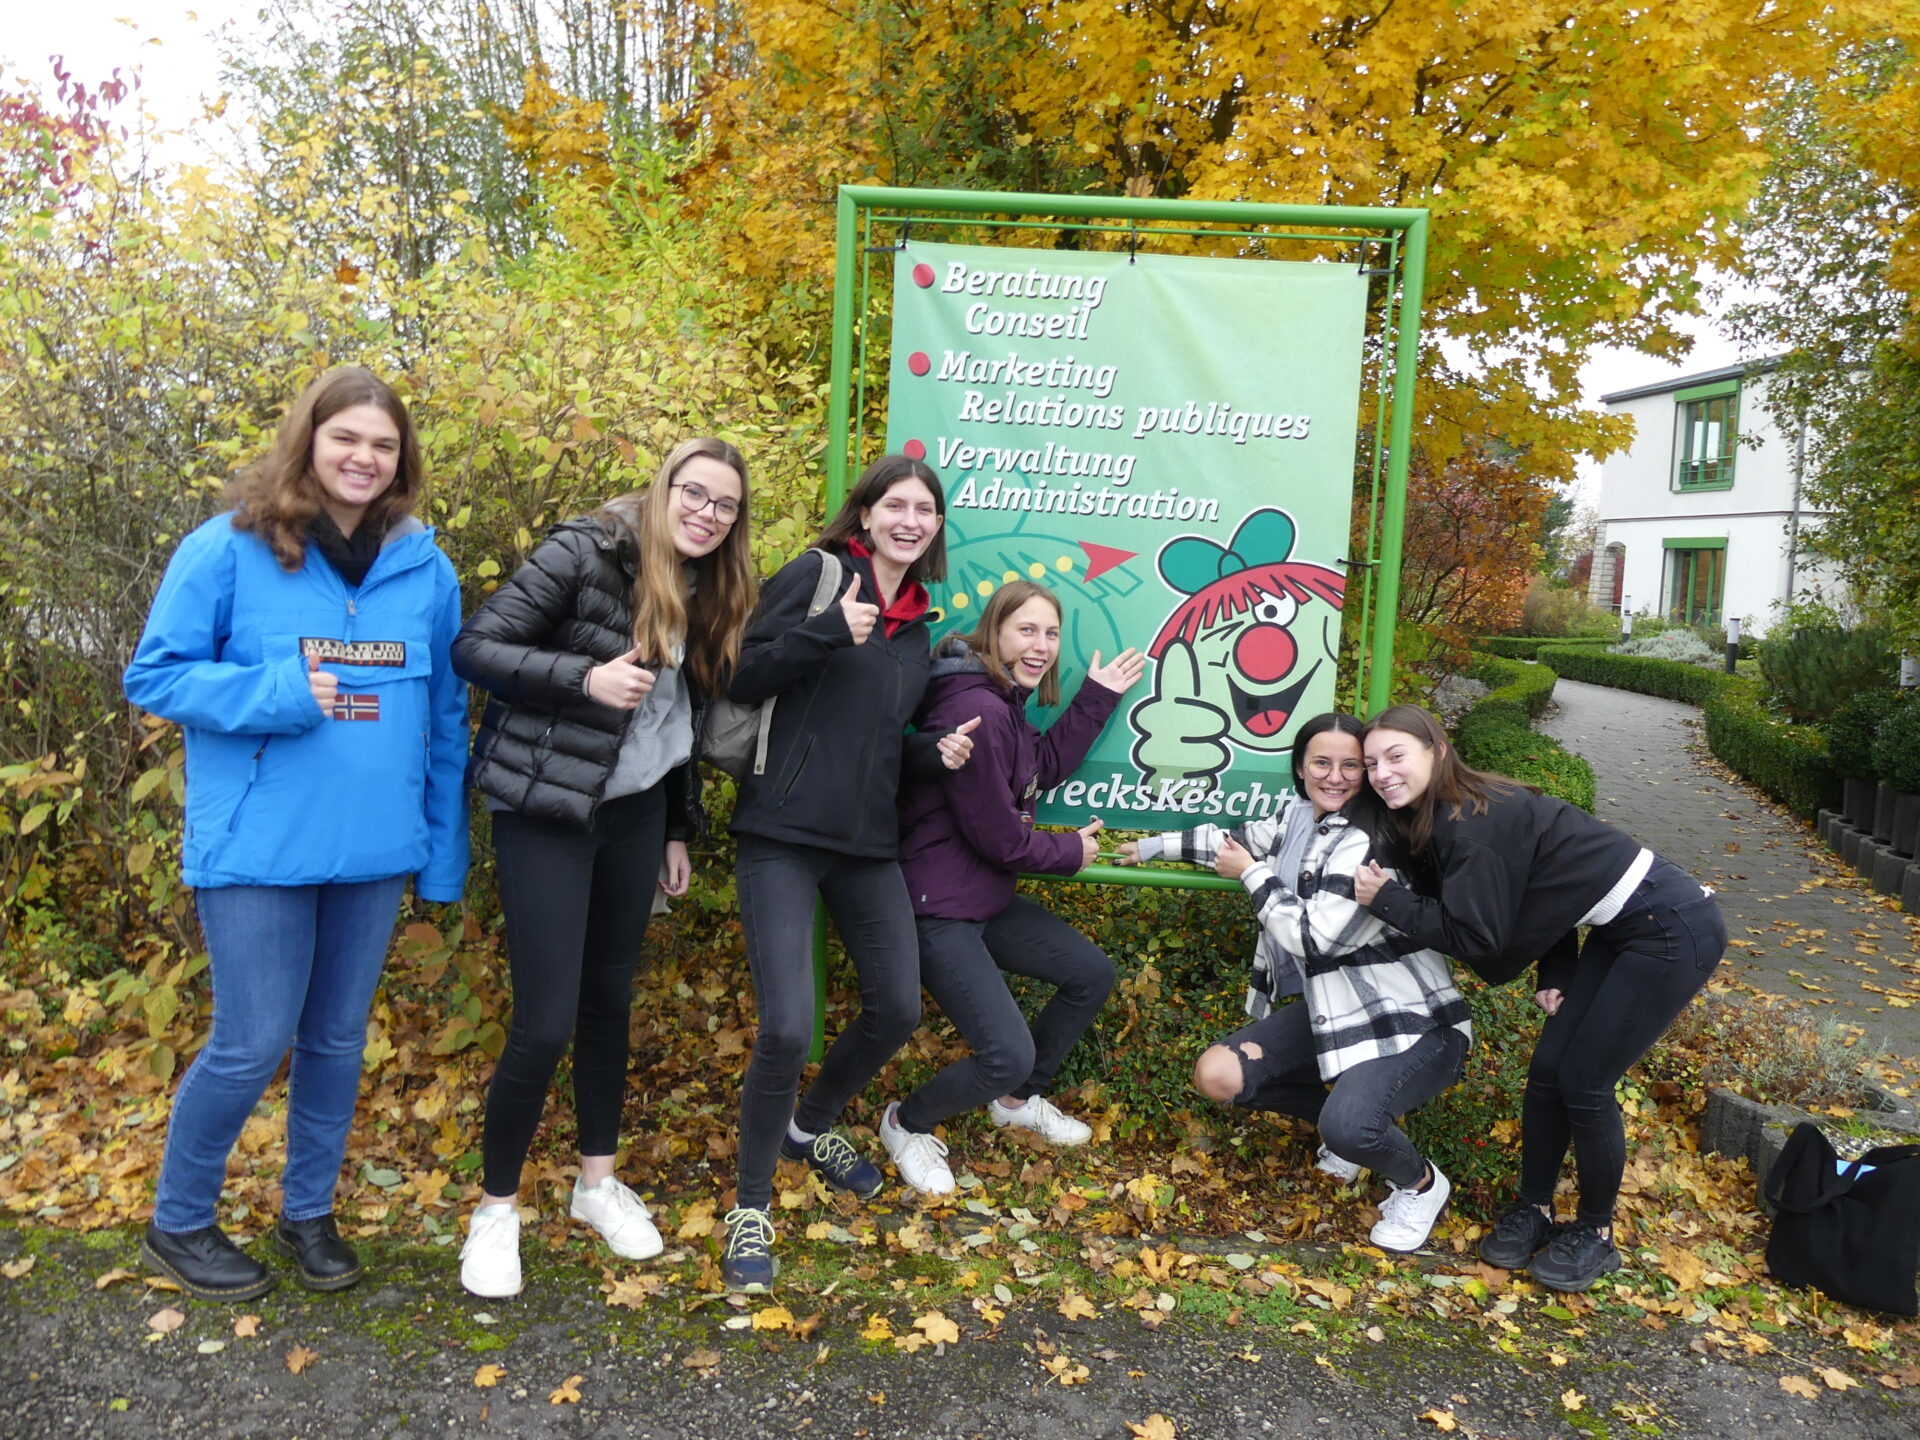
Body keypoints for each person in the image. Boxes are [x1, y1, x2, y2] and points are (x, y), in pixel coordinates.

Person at [124, 366, 469, 1300]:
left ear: (403, 462)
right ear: (308, 441)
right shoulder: (229, 549)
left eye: (383, 445)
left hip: (373, 850)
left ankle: (307, 1214)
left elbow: (444, 718)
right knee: (251, 1039)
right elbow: (153, 675)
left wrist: (441, 851)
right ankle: (179, 1223)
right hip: (257, 849)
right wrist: (271, 694)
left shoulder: (424, 568)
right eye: (346, 437)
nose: (364, 457)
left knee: (336, 1042)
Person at [450, 438, 756, 1299]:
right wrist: (583, 679)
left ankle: (595, 1185)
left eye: (724, 505)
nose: (705, 513)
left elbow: (676, 724)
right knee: (544, 1022)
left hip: (633, 816)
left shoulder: (710, 586)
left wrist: (674, 826)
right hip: (548, 809)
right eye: (693, 494)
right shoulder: (583, 550)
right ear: (662, 489)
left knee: (607, 1005)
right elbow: (475, 649)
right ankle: (496, 1210)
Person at [1355, 704, 1727, 1292]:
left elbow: (1478, 934)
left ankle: (1596, 1234)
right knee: (1549, 1071)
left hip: (1672, 929)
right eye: (1371, 762)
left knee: (1585, 1081)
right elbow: (1552, 883)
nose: (1382, 772)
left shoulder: (1470, 826)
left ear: (1438, 751)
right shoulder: (1453, 809)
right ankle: (1535, 1209)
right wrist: (1558, 966)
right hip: (1620, 927)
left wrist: (1386, 901)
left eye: (1396, 756)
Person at [722, 453, 976, 1293]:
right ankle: (749, 1205)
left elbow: (870, 735)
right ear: (864, 514)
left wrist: (927, 754)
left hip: (867, 843)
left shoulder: (917, 625)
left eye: (925, 511)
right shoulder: (819, 575)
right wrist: (827, 630)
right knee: (788, 1027)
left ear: (936, 529)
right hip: (782, 833)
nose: (910, 520)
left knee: (897, 1008)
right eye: (894, 505)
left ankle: (810, 1126)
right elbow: (738, 674)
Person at [1118, 713, 1470, 1252]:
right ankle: (1346, 1127)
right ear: (1300, 770)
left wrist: (1253, 875)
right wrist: (1146, 849)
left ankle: (1419, 1182)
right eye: (1321, 764)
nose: (1336, 777)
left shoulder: (1376, 839)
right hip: (1334, 1013)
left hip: (1412, 1023)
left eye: (1352, 765)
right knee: (1219, 1075)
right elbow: (1230, 840)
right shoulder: (1299, 818)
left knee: (1349, 1126)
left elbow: (1314, 938)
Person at [881, 582, 1144, 1193]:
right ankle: (906, 1122)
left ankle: (1017, 1102)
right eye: (1026, 630)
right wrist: (1070, 852)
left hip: (982, 899)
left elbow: (1041, 768)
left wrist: (1097, 697)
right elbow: (999, 838)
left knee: (1090, 973)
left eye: (1051, 633)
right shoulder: (979, 709)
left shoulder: (1004, 703)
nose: (1042, 646)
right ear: (994, 631)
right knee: (1006, 1053)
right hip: (939, 910)